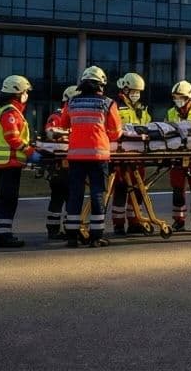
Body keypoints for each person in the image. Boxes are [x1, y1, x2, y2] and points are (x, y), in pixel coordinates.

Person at [56, 71, 122, 248]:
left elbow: (63, 125)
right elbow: (116, 132)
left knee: (75, 194)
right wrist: (103, 134)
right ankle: (96, 236)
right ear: (101, 85)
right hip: (98, 156)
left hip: (76, 156)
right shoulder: (108, 103)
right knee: (97, 194)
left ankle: (72, 236)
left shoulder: (71, 102)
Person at [0, 74, 40, 248]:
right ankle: (3, 236)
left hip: (6, 163)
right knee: (8, 199)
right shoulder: (10, 112)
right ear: (18, 93)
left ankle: (0, 233)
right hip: (8, 162)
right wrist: (30, 152)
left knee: (5, 198)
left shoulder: (8, 110)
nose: (27, 95)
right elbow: (12, 137)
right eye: (25, 92)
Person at [111, 72, 151, 235]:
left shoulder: (141, 108)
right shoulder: (115, 106)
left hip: (138, 155)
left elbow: (148, 126)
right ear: (125, 89)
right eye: (134, 91)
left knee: (138, 189)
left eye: (138, 92)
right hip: (120, 155)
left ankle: (135, 222)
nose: (136, 94)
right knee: (120, 189)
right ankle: (118, 224)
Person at [165, 80, 191, 232]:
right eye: (175, 97)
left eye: (181, 97)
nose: (178, 100)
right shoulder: (170, 112)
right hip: (177, 156)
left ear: (189, 98)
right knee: (177, 189)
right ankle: (179, 220)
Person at [42, 84, 80, 240]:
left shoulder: (75, 116)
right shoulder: (57, 116)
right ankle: (53, 230)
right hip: (59, 165)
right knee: (58, 196)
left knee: (71, 197)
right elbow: (50, 133)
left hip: (72, 162)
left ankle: (69, 227)